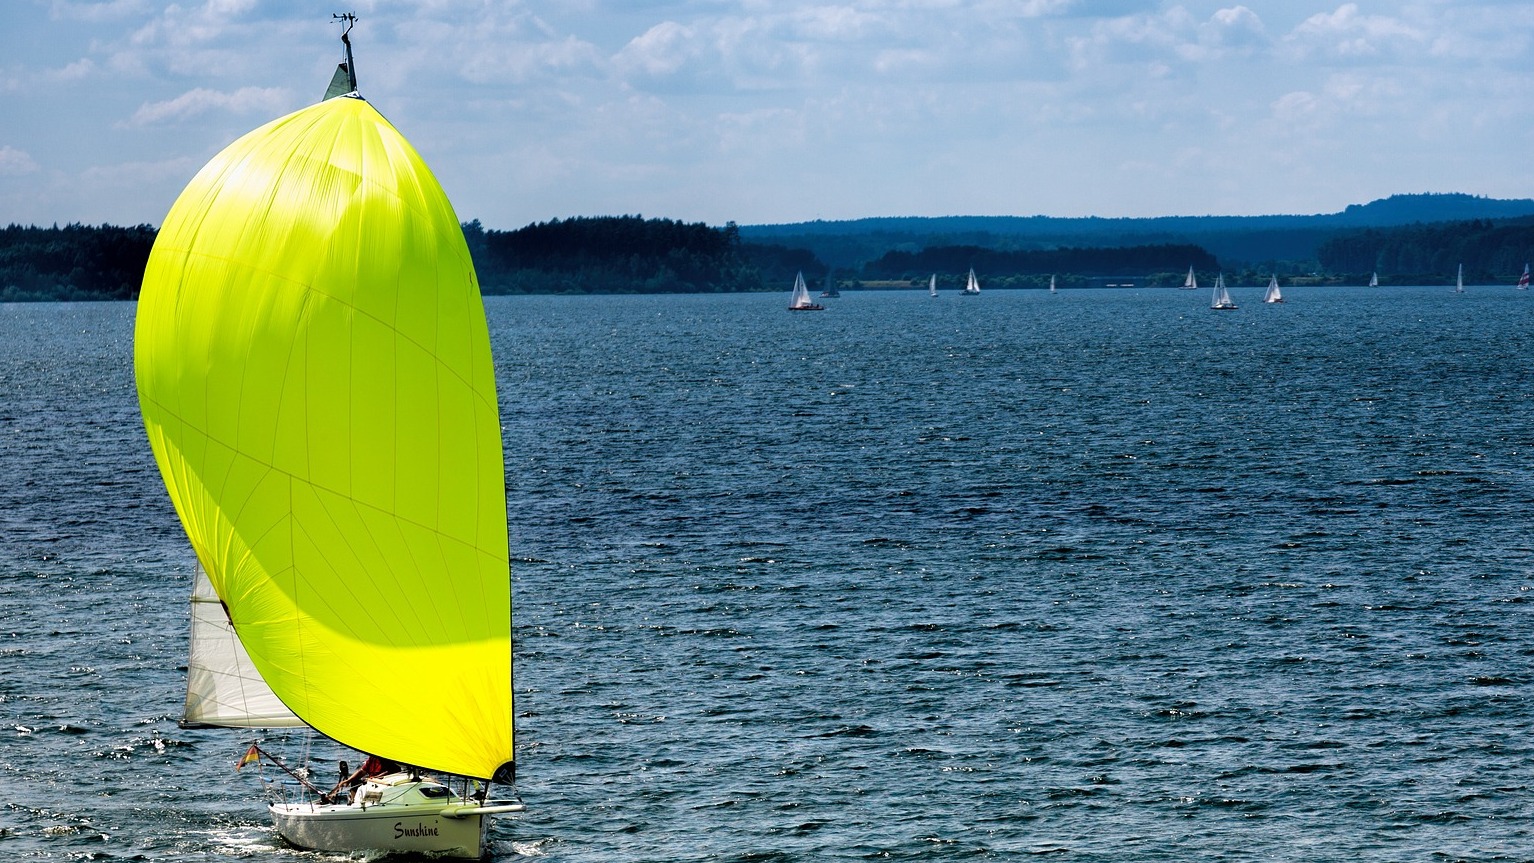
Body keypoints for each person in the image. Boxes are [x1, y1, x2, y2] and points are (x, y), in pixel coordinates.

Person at [323, 754, 401, 803]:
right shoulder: (373, 757)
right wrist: (348, 781)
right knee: (354, 782)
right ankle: (354, 804)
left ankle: (363, 804)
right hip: (371, 785)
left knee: (366, 791)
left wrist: (374, 778)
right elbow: (362, 771)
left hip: (383, 789)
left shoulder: (388, 758)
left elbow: (392, 771)